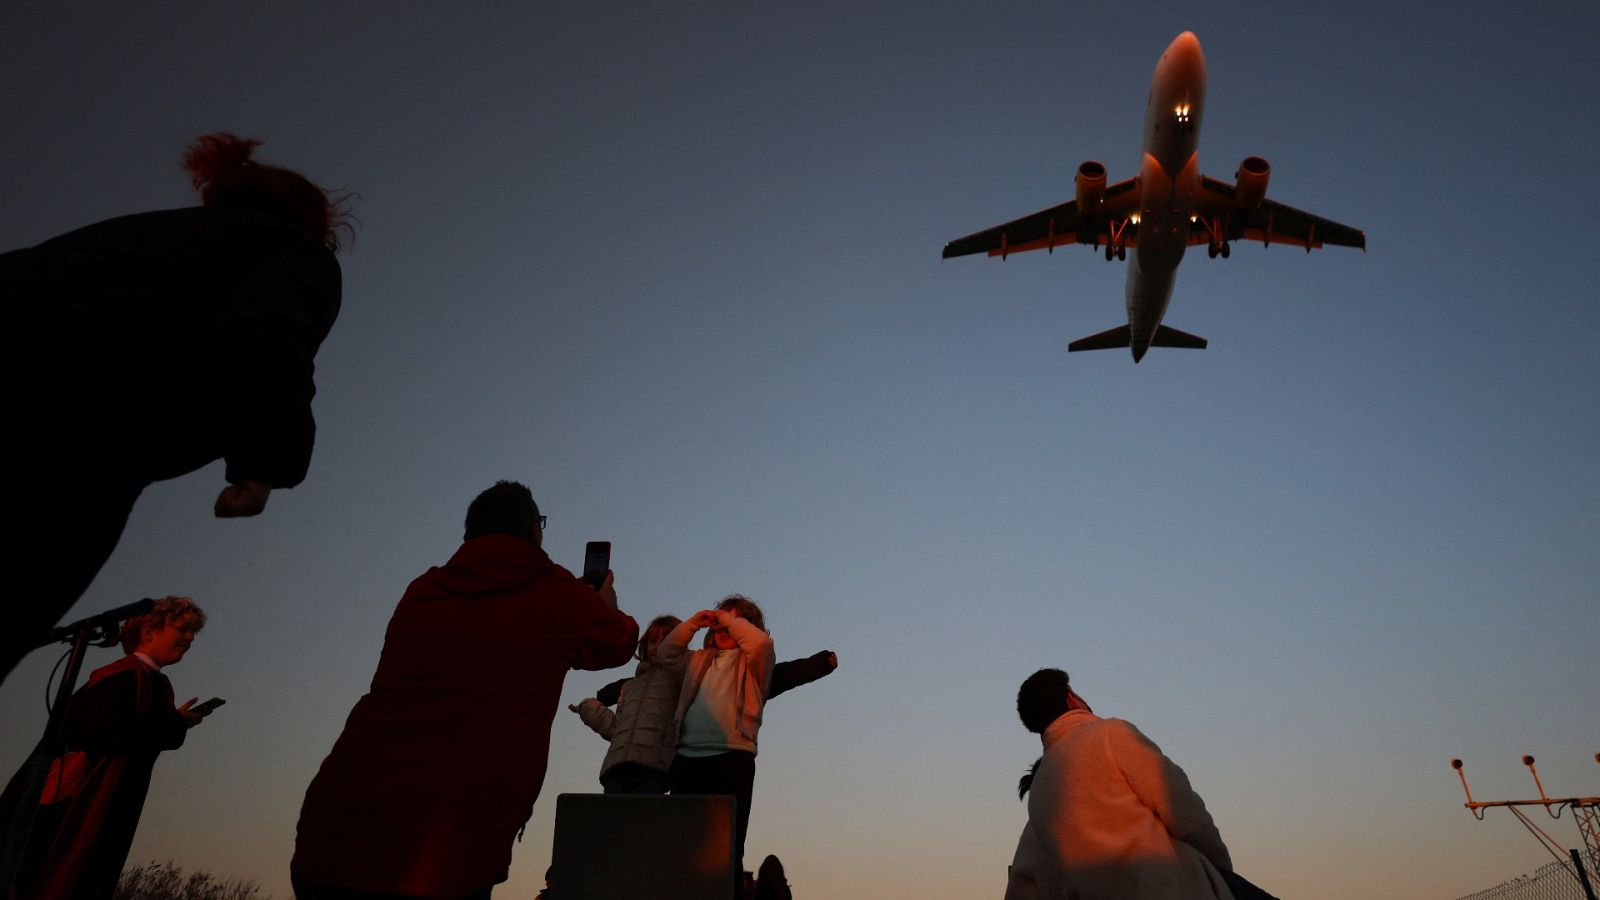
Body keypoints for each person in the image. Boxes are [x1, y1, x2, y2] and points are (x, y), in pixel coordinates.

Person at [1, 132, 349, 682]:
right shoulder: (291, 251)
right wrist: (264, 462)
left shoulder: (139, 235)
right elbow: (267, 331)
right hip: (69, 435)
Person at [291, 481, 639, 900]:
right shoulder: (559, 594)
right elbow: (618, 642)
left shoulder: (423, 590)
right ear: (533, 531)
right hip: (449, 845)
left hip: (337, 825)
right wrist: (605, 604)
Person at [0, 597, 215, 900]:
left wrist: (173, 723)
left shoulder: (150, 680)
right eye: (184, 629)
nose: (191, 638)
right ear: (149, 630)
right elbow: (116, 734)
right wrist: (173, 724)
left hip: (109, 803)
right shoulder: (119, 678)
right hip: (75, 806)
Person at [1004, 668, 1239, 900]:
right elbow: (1182, 808)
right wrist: (1221, 868)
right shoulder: (1110, 734)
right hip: (1170, 887)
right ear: (1071, 697)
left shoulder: (1037, 797)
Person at [658, 594, 777, 881]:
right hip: (687, 759)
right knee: (682, 849)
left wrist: (726, 618)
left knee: (726, 850)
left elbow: (760, 643)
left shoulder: (755, 664)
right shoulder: (698, 660)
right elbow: (665, 653)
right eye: (718, 623)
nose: (723, 629)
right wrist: (696, 622)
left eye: (732, 623)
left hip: (732, 758)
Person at [570, 614, 687, 795]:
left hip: (654, 768)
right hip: (617, 767)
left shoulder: (679, 681)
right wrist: (588, 708)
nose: (657, 647)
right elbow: (617, 728)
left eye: (666, 641)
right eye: (653, 641)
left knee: (644, 820)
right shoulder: (630, 687)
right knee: (614, 820)